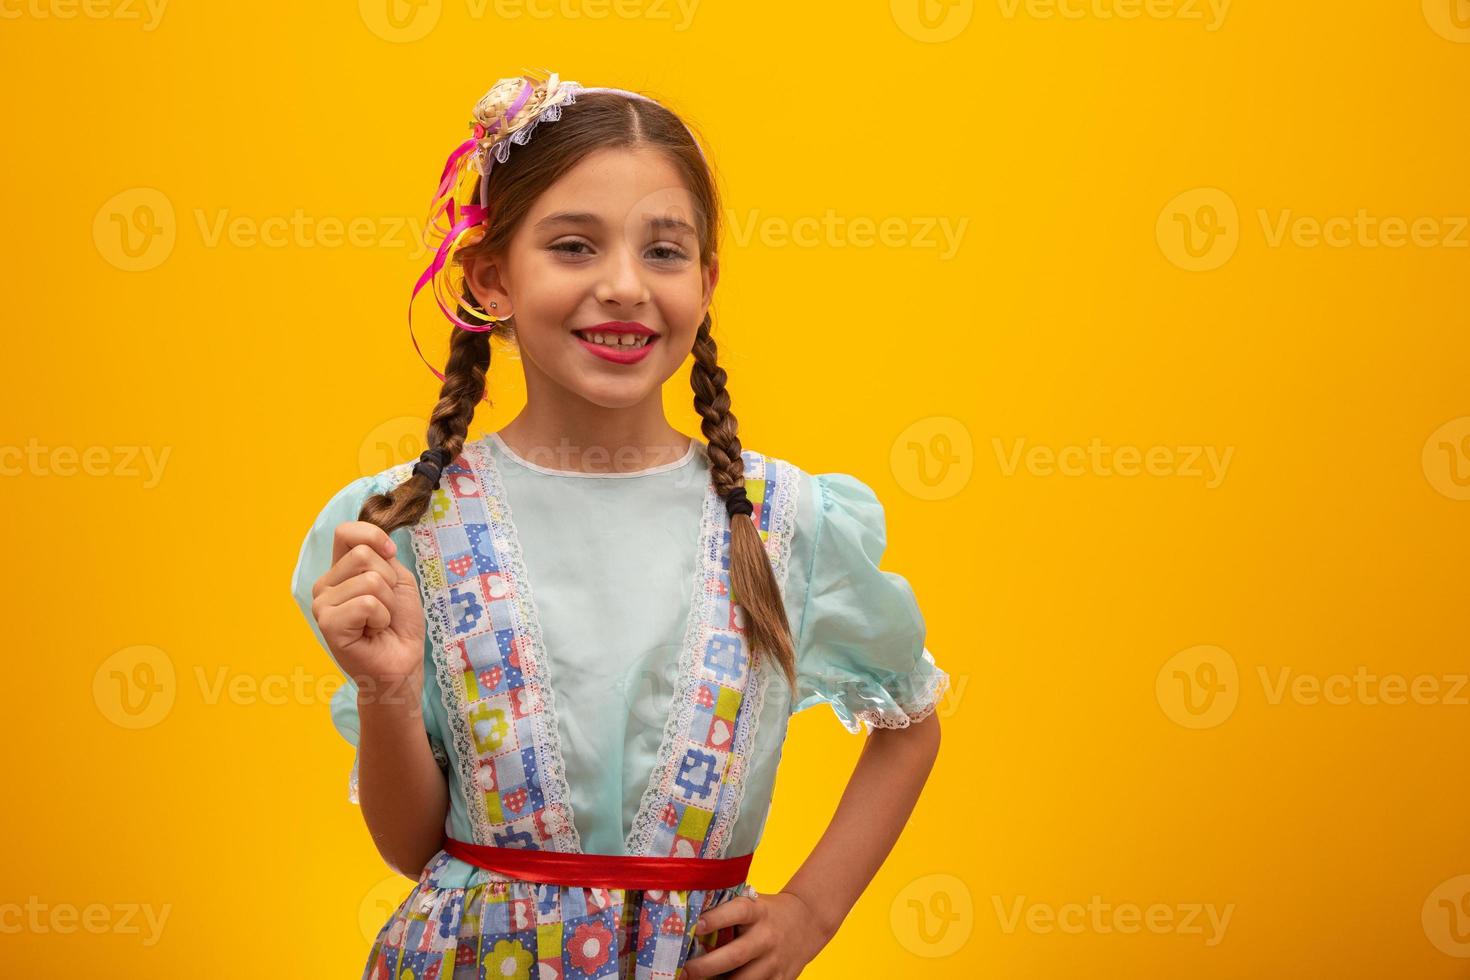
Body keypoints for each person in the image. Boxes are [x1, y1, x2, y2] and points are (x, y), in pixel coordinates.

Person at [289, 71, 951, 980]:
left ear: (708, 281)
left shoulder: (785, 522)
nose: (625, 286)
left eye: (666, 253)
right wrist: (387, 690)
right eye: (572, 246)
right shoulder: (412, 527)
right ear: (492, 278)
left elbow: (910, 720)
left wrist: (811, 911)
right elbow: (411, 850)